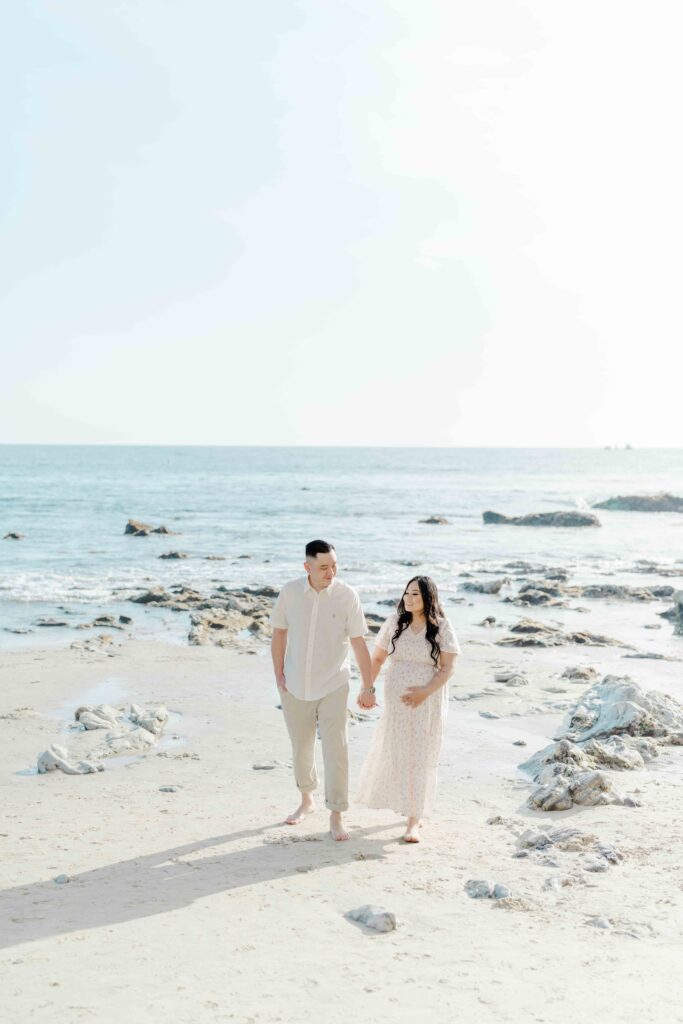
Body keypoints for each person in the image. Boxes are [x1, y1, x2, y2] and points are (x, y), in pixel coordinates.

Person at [270, 540, 375, 841]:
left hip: (334, 684)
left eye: (334, 566)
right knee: (301, 747)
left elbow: (358, 642)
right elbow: (279, 633)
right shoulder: (290, 592)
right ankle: (307, 801)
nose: (331, 572)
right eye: (324, 567)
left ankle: (337, 813)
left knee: (335, 749)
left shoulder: (346, 596)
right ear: (308, 567)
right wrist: (278, 675)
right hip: (294, 684)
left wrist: (368, 687)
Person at [356, 575, 460, 843]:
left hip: (429, 700)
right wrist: (366, 688)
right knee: (399, 752)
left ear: (429, 598)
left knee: (422, 755)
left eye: (416, 594)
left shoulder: (442, 628)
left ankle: (414, 820)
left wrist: (425, 692)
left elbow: (448, 667)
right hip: (397, 700)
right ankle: (408, 807)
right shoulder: (394, 624)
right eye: (407, 593)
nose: (409, 598)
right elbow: (377, 658)